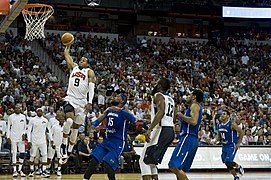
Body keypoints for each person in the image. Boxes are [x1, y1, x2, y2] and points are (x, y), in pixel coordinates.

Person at [83, 93, 136, 180]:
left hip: (118, 142)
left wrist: (120, 110)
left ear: (122, 101)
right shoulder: (109, 110)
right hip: (107, 140)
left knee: (107, 164)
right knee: (94, 160)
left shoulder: (124, 112)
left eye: (118, 97)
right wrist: (92, 126)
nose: (115, 97)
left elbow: (133, 119)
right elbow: (100, 119)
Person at [61, 45, 95, 162]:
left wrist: (90, 102)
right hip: (70, 99)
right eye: (81, 59)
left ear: (87, 64)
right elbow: (67, 56)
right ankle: (63, 146)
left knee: (75, 128)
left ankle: (69, 149)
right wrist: (67, 48)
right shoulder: (74, 67)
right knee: (69, 121)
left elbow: (91, 87)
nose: (81, 60)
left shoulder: (89, 72)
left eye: (84, 60)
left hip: (82, 103)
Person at [139, 77, 175, 180]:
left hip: (161, 129)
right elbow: (174, 115)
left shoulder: (158, 95)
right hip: (170, 130)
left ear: (159, 86)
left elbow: (161, 111)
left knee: (143, 160)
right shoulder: (171, 99)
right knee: (151, 161)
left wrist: (150, 129)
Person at [168, 89, 203, 180]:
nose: (187, 96)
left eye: (189, 95)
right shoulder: (194, 107)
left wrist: (181, 115)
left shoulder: (194, 106)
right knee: (179, 168)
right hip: (191, 139)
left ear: (194, 97)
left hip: (188, 137)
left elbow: (194, 121)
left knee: (173, 166)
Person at [214, 110, 244, 180]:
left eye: (224, 114)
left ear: (228, 116)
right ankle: (238, 166)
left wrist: (239, 143)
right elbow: (219, 135)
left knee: (228, 162)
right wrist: (216, 140)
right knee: (225, 161)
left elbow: (241, 132)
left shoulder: (232, 124)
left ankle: (236, 177)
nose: (222, 115)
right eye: (222, 114)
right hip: (224, 146)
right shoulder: (220, 125)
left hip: (231, 145)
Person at [27, 108, 53, 178]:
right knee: (32, 155)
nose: (39, 112)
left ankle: (44, 171)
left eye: (41, 111)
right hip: (34, 141)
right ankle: (31, 170)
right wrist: (29, 140)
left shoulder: (45, 120)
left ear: (42, 112)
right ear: (36, 112)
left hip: (43, 141)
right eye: (38, 111)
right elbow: (29, 131)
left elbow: (49, 131)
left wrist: (51, 139)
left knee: (44, 155)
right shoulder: (32, 120)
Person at [6, 104, 27, 177]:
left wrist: (24, 133)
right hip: (13, 137)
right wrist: (8, 137)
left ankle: (20, 170)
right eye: (16, 108)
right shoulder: (11, 117)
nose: (18, 109)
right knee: (14, 153)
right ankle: (14, 170)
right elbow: (8, 127)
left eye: (19, 108)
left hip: (21, 138)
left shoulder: (23, 116)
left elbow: (25, 127)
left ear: (21, 109)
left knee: (22, 153)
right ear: (15, 109)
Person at [47, 110, 65, 176]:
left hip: (60, 145)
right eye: (61, 119)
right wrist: (52, 142)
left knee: (59, 158)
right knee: (50, 158)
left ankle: (58, 169)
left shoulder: (64, 127)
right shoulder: (55, 126)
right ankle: (47, 169)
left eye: (63, 119)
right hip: (53, 144)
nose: (62, 120)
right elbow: (50, 134)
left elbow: (65, 137)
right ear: (58, 120)